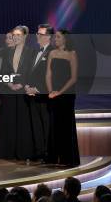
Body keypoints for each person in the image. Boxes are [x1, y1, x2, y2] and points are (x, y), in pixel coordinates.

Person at [0, 25, 35, 160]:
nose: (16, 37)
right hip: (8, 91)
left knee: (23, 122)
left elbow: (32, 72)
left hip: (24, 92)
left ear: (25, 36)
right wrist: (10, 84)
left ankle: (23, 152)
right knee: (9, 121)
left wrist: (23, 84)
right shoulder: (6, 52)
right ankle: (7, 152)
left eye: (19, 35)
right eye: (14, 34)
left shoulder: (31, 52)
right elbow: (2, 72)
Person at [46, 30, 80, 166]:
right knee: (54, 125)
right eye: (55, 37)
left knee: (66, 125)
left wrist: (60, 92)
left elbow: (73, 78)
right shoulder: (52, 53)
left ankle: (67, 158)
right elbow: (48, 74)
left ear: (65, 39)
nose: (56, 39)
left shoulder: (72, 54)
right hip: (53, 93)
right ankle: (53, 157)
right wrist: (50, 91)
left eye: (58, 37)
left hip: (67, 94)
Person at [25, 24, 55, 161]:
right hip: (32, 97)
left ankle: (48, 153)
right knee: (36, 125)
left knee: (46, 126)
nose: (37, 36)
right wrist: (27, 87)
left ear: (48, 36)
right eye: (37, 33)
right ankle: (39, 151)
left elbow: (52, 76)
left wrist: (36, 89)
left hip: (44, 97)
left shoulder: (53, 52)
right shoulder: (35, 52)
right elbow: (30, 74)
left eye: (41, 34)